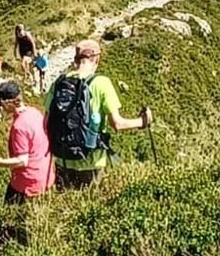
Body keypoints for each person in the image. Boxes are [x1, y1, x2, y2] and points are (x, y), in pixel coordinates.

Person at [47, 39, 153, 191]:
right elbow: (117, 124)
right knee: (88, 208)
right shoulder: (101, 83)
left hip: (63, 160)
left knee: (64, 207)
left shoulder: (58, 83)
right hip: (92, 162)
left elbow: (46, 122)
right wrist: (142, 121)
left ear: (76, 59)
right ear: (97, 59)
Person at [0, 79, 54, 205]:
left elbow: (22, 160)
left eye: (1, 103)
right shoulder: (35, 112)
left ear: (9, 102)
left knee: (8, 219)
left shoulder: (19, 126)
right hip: (45, 178)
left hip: (26, 184)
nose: (0, 107)